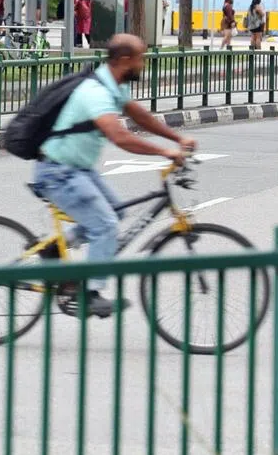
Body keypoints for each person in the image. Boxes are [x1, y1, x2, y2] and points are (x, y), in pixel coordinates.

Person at [31, 34, 196, 317]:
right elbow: (120, 137)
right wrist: (165, 153)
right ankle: (90, 293)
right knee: (105, 224)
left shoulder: (113, 86)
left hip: (77, 169)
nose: (143, 65)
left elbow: (141, 117)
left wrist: (176, 138)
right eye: (140, 59)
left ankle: (54, 249)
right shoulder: (96, 92)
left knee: (115, 213)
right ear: (123, 61)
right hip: (58, 172)